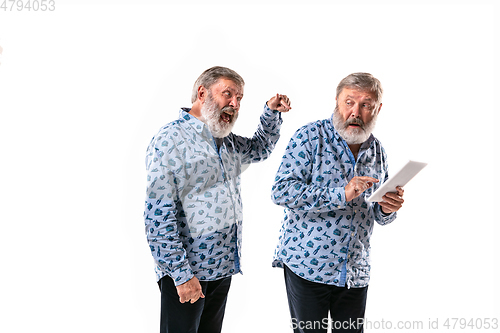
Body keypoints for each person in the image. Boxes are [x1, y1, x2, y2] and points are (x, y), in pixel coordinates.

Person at [144, 66, 291, 333]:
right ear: (202, 93)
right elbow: (158, 216)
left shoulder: (227, 141)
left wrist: (271, 114)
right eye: (228, 94)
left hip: (221, 268)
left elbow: (259, 149)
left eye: (240, 98)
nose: (234, 104)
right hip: (187, 273)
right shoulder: (170, 140)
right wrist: (181, 274)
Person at [271, 73, 404, 333]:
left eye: (366, 105)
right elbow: (281, 191)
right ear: (336, 102)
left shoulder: (378, 151)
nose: (356, 112)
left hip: (355, 272)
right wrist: (341, 194)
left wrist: (387, 208)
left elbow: (377, 213)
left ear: (377, 109)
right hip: (308, 266)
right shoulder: (309, 137)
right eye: (349, 102)